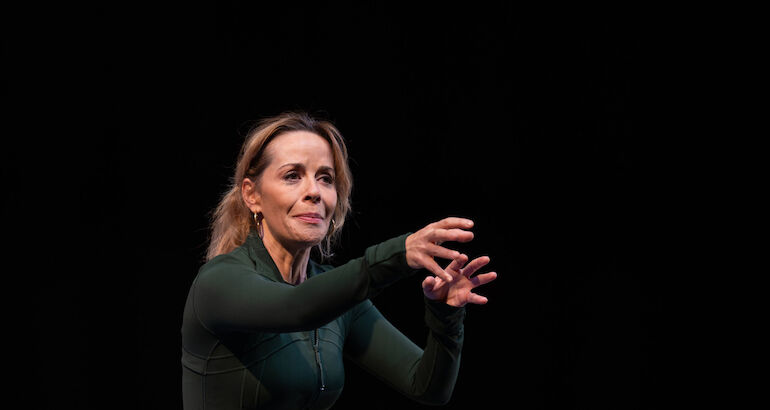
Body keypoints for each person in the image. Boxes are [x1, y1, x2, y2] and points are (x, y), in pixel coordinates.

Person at [181, 112, 497, 409]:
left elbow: (426, 387)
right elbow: (295, 308)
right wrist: (399, 253)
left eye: (326, 178)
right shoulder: (218, 282)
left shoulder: (335, 296)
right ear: (252, 195)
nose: (314, 192)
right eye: (292, 176)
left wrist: (445, 317)